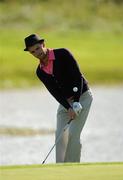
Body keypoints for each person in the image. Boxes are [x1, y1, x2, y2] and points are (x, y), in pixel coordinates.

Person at [24, 34, 93, 163]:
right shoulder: (40, 71)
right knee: (60, 135)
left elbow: (78, 76)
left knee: (73, 134)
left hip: (83, 97)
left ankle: (72, 167)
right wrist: (68, 107)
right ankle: (60, 168)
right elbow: (54, 91)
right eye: (32, 51)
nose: (36, 53)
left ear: (43, 44)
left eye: (38, 48)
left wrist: (77, 102)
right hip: (66, 102)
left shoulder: (62, 54)